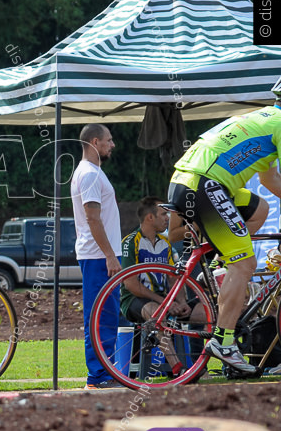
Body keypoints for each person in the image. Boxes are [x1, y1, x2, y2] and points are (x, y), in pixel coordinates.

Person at [165, 90, 281, 374]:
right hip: (206, 186)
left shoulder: (264, 118)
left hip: (188, 181)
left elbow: (269, 179)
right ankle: (223, 341)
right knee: (246, 264)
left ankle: (218, 266)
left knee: (259, 209)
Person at [120, 197, 206, 377]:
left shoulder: (165, 243)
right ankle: (179, 369)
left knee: (206, 312)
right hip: (135, 302)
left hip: (165, 301)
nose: (168, 218)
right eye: (163, 214)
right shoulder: (130, 241)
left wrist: (181, 301)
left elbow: (173, 278)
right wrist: (166, 303)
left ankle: (205, 365)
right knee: (156, 312)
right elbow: (131, 285)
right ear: (150, 217)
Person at [70, 123, 122, 389]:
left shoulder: (93, 172)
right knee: (100, 316)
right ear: (95, 142)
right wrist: (110, 256)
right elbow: (92, 218)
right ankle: (98, 377)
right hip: (98, 256)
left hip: (100, 255)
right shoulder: (89, 174)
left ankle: (106, 373)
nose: (112, 145)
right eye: (108, 140)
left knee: (107, 315)